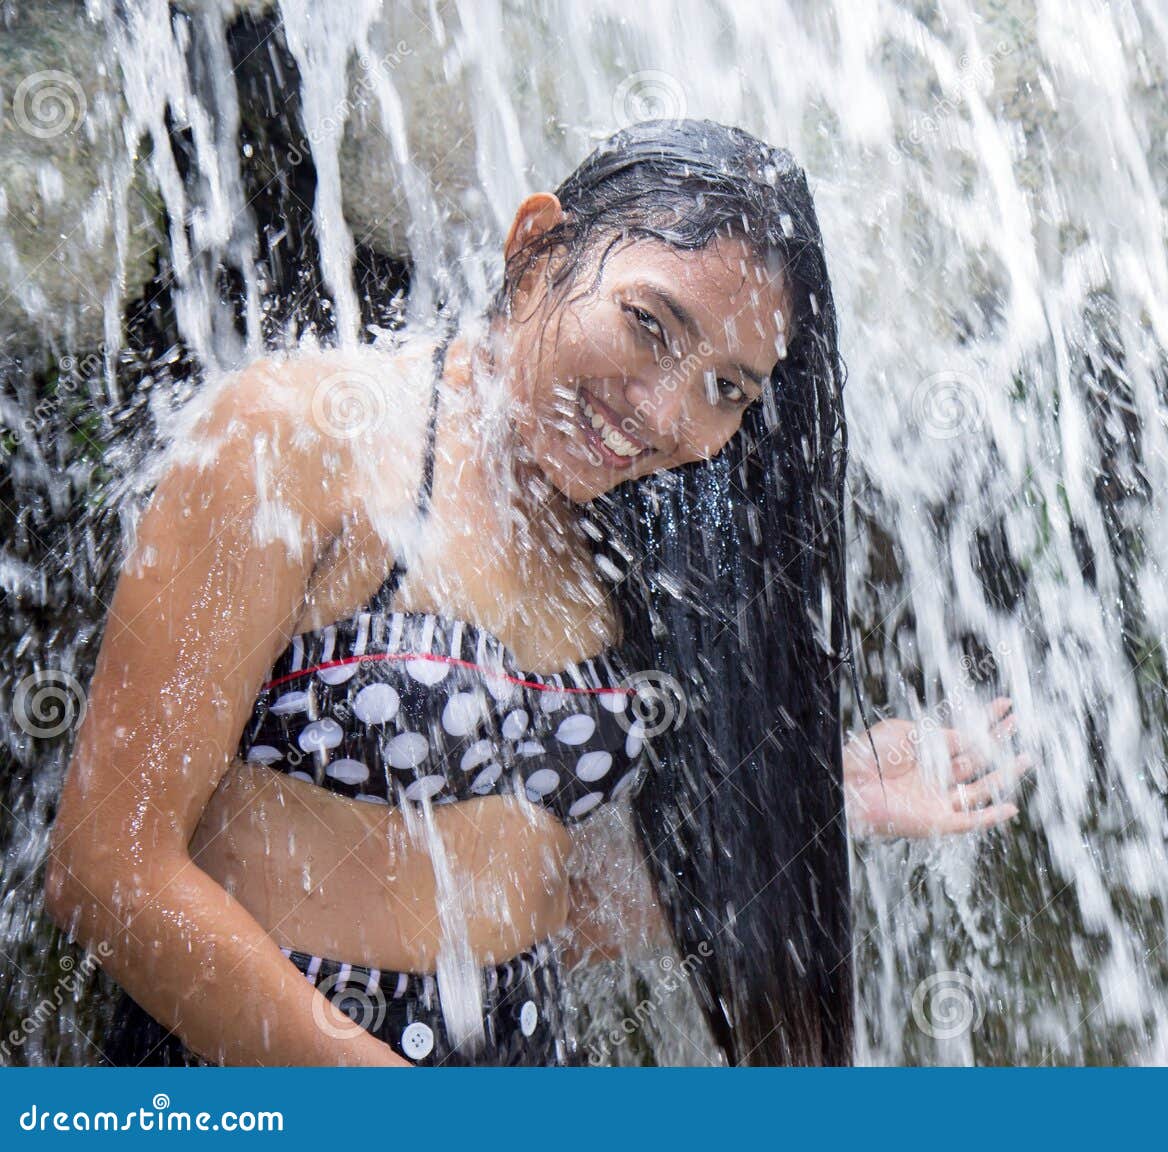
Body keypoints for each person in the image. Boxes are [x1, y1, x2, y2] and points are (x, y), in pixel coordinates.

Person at [44, 119, 1031, 1067]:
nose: (662, 413)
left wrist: (826, 801)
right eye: (650, 325)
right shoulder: (299, 437)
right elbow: (107, 869)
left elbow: (537, 905)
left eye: (727, 389)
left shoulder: (627, 536)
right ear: (537, 246)